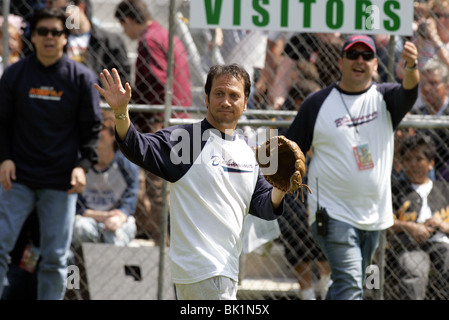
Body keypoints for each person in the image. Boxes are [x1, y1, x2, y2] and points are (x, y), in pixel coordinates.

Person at [94, 64, 286, 300]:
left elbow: (265, 206)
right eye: (219, 94)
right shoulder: (186, 142)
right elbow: (137, 147)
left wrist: (282, 186)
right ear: (206, 99)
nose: (226, 101)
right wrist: (121, 112)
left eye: (234, 95)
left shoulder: (249, 150)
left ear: (246, 102)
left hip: (222, 274)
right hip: (205, 271)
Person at [285, 34, 420, 299]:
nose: (360, 60)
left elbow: (410, 91)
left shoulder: (386, 98)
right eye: (353, 55)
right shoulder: (317, 103)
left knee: (358, 281)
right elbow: (290, 149)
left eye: (367, 55)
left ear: (375, 65)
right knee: (349, 280)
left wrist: (412, 67)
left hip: (374, 214)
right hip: (329, 212)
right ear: (340, 61)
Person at [0, 7, 102, 300]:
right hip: (17, 178)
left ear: (65, 37)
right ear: (32, 35)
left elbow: (92, 128)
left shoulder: (80, 78)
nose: (48, 37)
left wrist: (83, 165)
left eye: (55, 32)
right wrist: (4, 158)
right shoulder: (15, 74)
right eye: (42, 31)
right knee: (0, 248)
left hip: (61, 182)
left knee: (56, 259)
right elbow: (2, 123)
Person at [114, 0, 192, 134]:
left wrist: (156, 121)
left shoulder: (149, 41)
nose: (124, 32)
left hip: (163, 124)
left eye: (122, 26)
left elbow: (158, 83)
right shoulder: (164, 35)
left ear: (128, 20)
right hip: (177, 115)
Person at [388, 133, 449, 299]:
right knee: (413, 270)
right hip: (409, 245)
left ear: (431, 164)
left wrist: (442, 225)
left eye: (418, 159)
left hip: (441, 243)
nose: (412, 165)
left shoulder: (444, 190)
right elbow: (384, 222)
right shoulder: (395, 191)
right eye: (407, 160)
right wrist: (410, 227)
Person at [71, 109, 139, 253]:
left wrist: (120, 215)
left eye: (102, 129)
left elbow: (131, 199)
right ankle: (77, 274)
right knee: (79, 227)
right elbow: (74, 205)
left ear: (113, 135)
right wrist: (102, 216)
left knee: (116, 234)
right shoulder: (80, 164)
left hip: (116, 219)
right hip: (88, 218)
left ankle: (112, 275)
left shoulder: (125, 165)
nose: (97, 133)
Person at [47, 0, 132, 84]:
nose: (62, 15)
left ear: (81, 6)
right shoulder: (56, 38)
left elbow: (123, 77)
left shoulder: (111, 41)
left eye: (64, 9)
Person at [411, 58, 449, 182]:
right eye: (423, 84)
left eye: (433, 83)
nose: (426, 89)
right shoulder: (416, 114)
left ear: (447, 87)